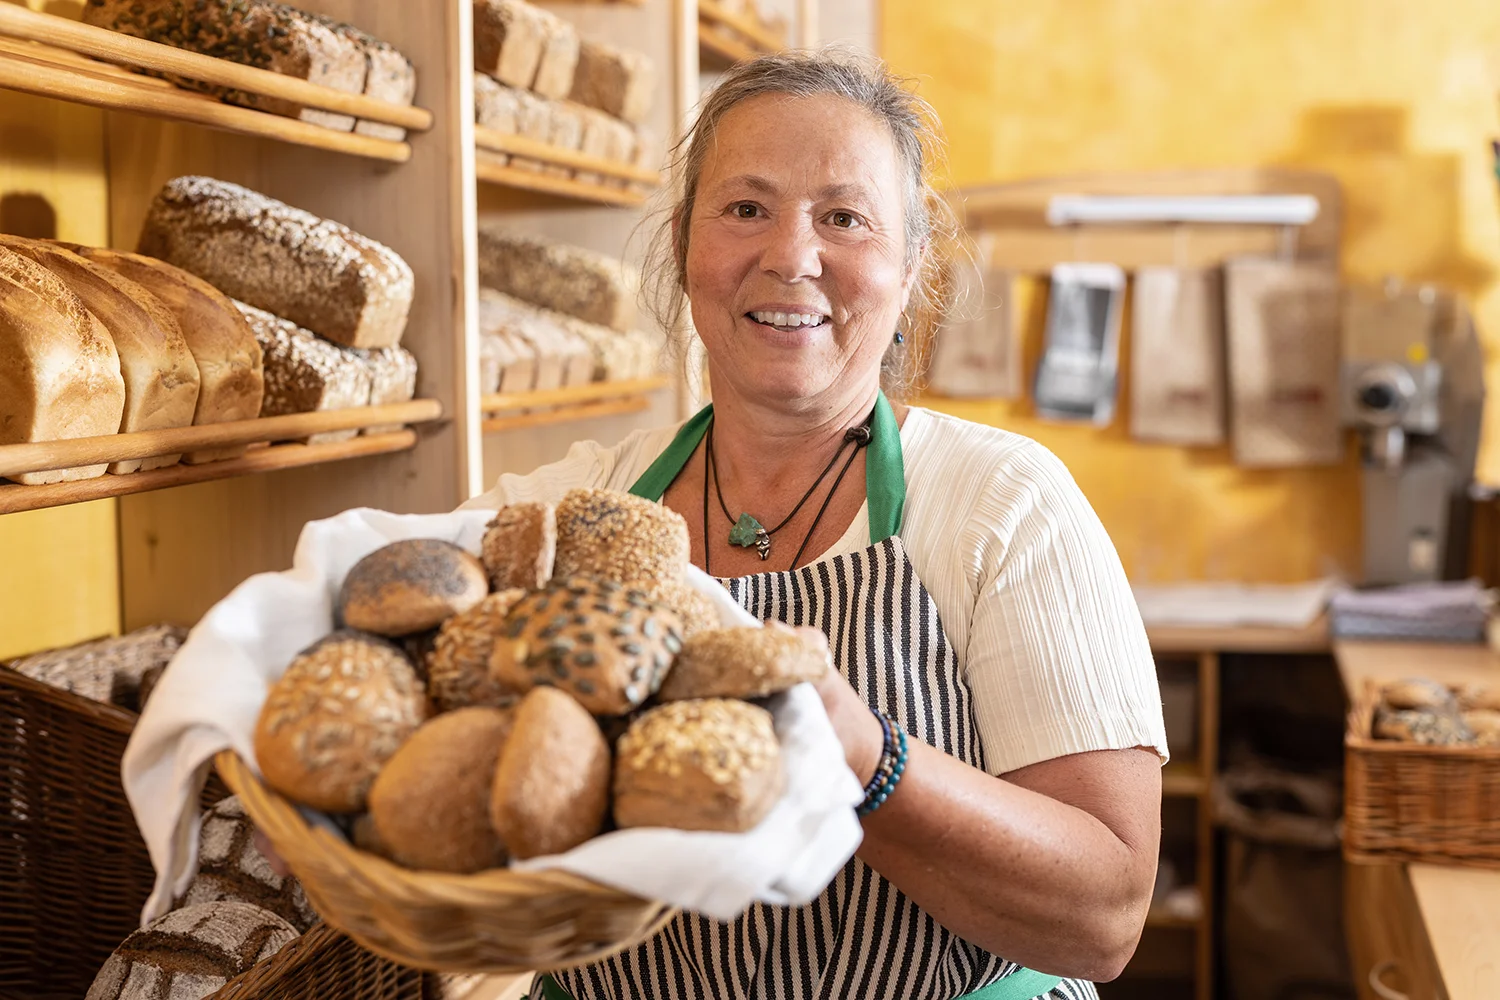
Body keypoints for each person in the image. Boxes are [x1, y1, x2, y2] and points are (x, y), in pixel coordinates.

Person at [466, 48, 1167, 1000]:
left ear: (911, 262)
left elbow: (1105, 915)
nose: (791, 256)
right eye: (746, 208)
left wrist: (859, 755)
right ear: (684, 247)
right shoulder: (585, 510)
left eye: (844, 217)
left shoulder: (1004, 502)